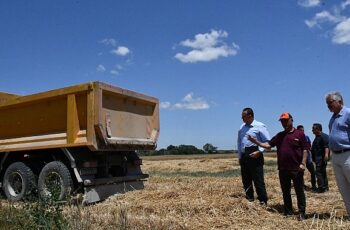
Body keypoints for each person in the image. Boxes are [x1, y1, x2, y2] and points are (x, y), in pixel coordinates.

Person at [248, 112, 308, 221]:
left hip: (297, 168)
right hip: (283, 168)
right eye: (282, 121)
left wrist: (303, 163)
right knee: (285, 191)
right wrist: (256, 141)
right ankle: (288, 211)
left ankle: (302, 212)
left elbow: (305, 149)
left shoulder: (299, 134)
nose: (284, 123)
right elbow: (268, 145)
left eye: (286, 120)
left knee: (299, 191)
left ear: (291, 120)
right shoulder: (280, 136)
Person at [237, 108, 270, 205]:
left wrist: (259, 152)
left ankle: (263, 201)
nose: (242, 118)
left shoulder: (260, 126)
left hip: (255, 153)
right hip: (244, 155)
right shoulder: (242, 127)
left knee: (258, 180)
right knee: (246, 180)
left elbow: (267, 141)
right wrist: (239, 156)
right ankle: (249, 200)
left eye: (243, 116)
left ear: (250, 116)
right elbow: (239, 142)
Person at [326, 92, 350, 216]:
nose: (328, 106)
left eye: (330, 103)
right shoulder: (333, 118)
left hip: (347, 154)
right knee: (343, 188)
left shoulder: (348, 113)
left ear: (339, 101)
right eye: (327, 103)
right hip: (336, 156)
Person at [296, 125, 317, 192]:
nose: (302, 131)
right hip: (300, 157)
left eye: (303, 130)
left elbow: (310, 146)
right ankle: (301, 186)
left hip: (308, 156)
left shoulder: (307, 137)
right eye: (300, 130)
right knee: (300, 172)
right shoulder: (296, 138)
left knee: (313, 172)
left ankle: (314, 186)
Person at [311, 123, 330, 193]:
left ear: (318, 129)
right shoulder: (317, 137)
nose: (312, 130)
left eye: (313, 128)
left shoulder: (323, 136)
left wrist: (326, 155)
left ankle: (321, 188)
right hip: (318, 158)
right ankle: (325, 187)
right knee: (322, 172)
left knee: (318, 172)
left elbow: (326, 146)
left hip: (321, 158)